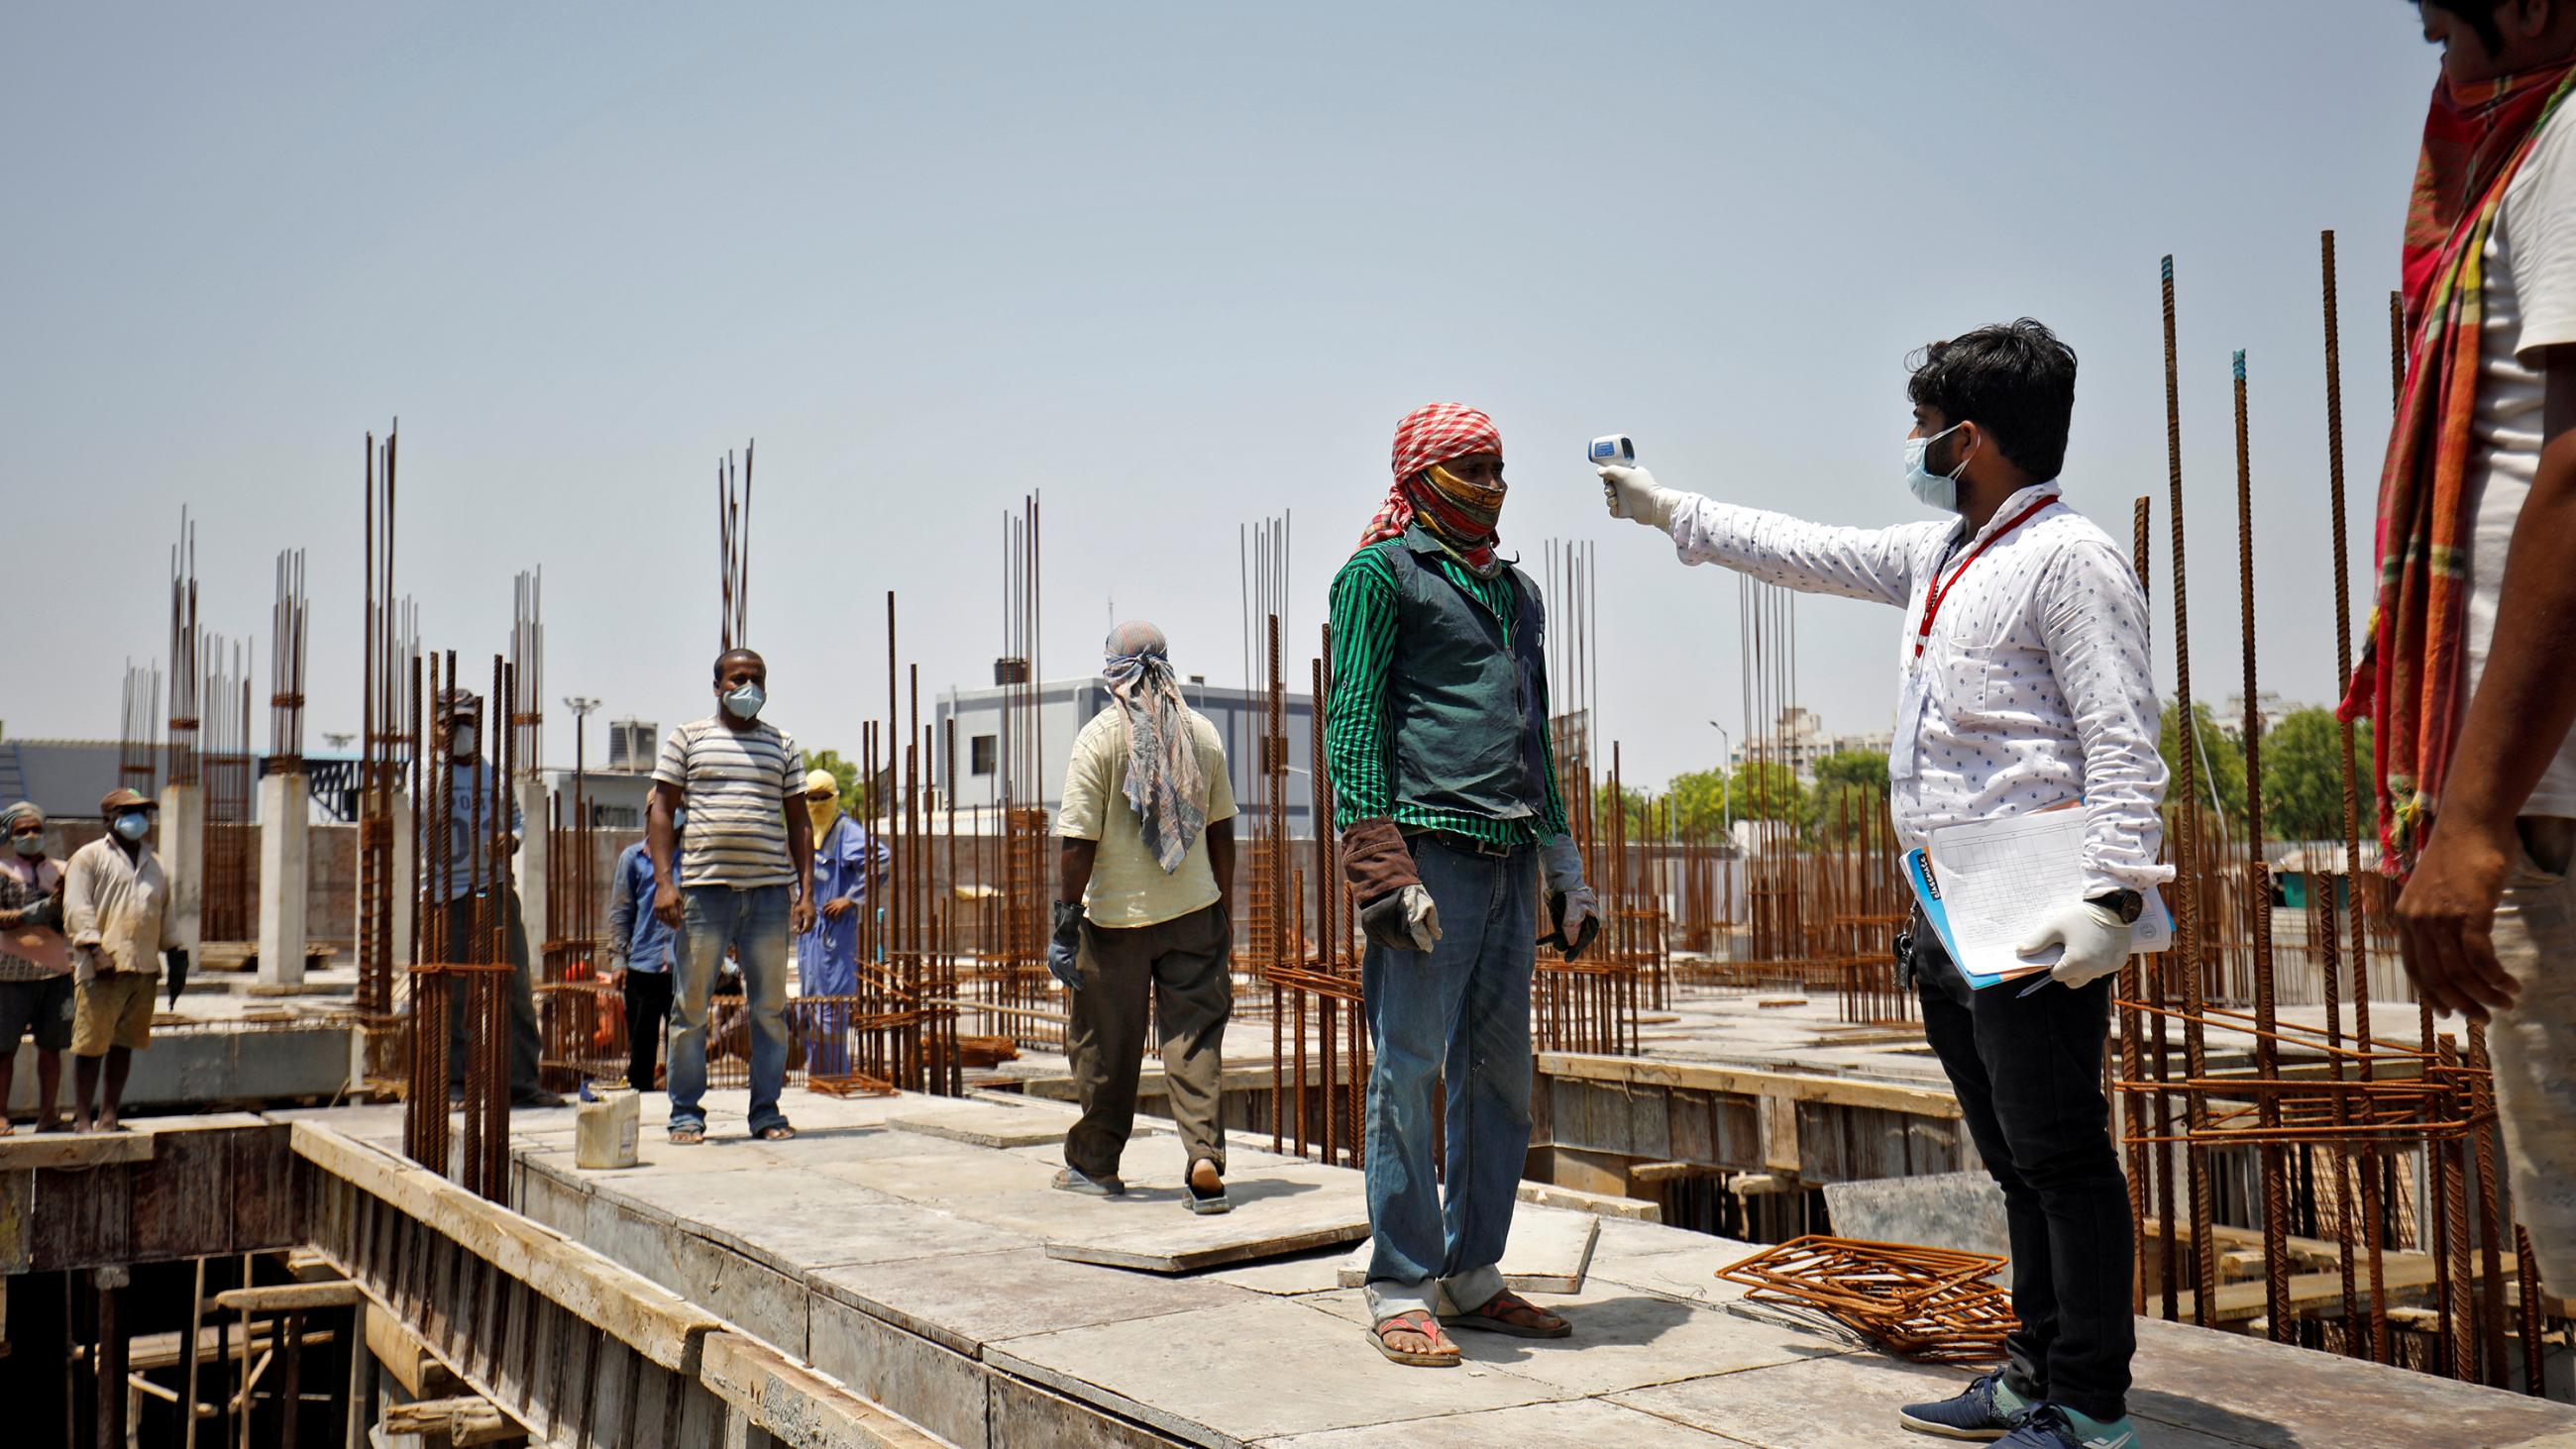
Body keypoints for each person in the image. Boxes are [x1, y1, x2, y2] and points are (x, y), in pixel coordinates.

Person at [1597, 321, 2165, 1447]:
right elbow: (1805, 549)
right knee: (2010, 1158)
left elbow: (2121, 737)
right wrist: (1672, 510)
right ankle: (2027, 1371)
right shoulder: (1944, 555)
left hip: (2036, 907)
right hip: (1950, 902)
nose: (1908, 442)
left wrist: (2109, 897)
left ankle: (2089, 1400)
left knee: (2060, 1153)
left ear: (1970, 439)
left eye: (1922, 425)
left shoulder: (2071, 559)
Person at [1324, 403, 1597, 1368]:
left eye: (1499, 467)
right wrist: (1379, 866)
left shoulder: (1516, 593)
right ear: (1423, 476)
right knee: (1407, 1069)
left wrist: (1563, 865)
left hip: (1507, 856)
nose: (1492, 484)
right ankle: (1401, 1279)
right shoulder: (1377, 575)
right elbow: (1350, 719)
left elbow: (1535, 737)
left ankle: (1471, 1272)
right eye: (1472, 468)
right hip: (1426, 853)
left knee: (1500, 1078)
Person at [1046, 623, 1238, 1211]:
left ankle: (1097, 1164)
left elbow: (1077, 841)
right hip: (1193, 912)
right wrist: (1222, 910)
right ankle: (1203, 1155)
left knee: (1106, 1042)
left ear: (1113, 671)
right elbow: (1222, 831)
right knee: (1194, 1037)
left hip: (1115, 923)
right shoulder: (1202, 734)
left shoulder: (1098, 740)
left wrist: (1064, 921)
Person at [649, 648, 815, 1144]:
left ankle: (766, 1113)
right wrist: (664, 881)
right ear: (717, 684)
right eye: (738, 678)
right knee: (691, 1009)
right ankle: (685, 1115)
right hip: (706, 892)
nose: (749, 687)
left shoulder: (781, 744)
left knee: (769, 1010)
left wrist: (805, 891)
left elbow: (799, 820)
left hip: (767, 894)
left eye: (757, 678)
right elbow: (661, 809)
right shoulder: (689, 738)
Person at [428, 688, 562, 1108]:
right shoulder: (425, 775)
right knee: (451, 989)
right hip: (446, 894)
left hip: (498, 888)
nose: (463, 732)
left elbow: (518, 821)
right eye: (454, 724)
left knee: (515, 984)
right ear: (436, 730)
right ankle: (451, 1084)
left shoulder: (494, 774)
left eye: (469, 723)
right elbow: (422, 824)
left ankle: (521, 1083)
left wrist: (511, 840)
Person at [62, 788, 187, 1133]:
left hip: (142, 968)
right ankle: (83, 1117)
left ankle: (109, 1114)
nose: (138, 819)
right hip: (103, 967)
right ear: (109, 818)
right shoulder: (89, 858)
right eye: (129, 812)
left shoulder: (156, 862)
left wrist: (176, 951)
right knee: (90, 1045)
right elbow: (77, 907)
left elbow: (164, 913)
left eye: (143, 812)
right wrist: (94, 949)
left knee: (124, 1044)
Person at [797, 768, 890, 1073]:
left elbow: (881, 859)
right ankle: (816, 1071)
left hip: (835, 932)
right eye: (811, 798)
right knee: (811, 1002)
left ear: (834, 798)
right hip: (809, 932)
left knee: (833, 1004)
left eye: (824, 797)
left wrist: (851, 897)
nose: (817, 803)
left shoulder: (846, 831)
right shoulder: (806, 831)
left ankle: (835, 1072)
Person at [0, 801, 71, 1133]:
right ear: (10, 836)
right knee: (3, 1049)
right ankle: (0, 1114)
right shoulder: (2, 871)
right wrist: (25, 916)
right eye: (22, 831)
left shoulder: (62, 870)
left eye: (36, 829)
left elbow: (76, 912)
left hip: (55, 972)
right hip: (9, 973)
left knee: (52, 1047)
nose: (30, 835)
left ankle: (48, 1114)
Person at [605, 813, 683, 1089]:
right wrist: (618, 961)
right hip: (642, 967)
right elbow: (621, 912)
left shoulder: (691, 858)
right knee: (641, 1052)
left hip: (681, 968)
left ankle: (680, 1108)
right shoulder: (633, 858)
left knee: (683, 1050)